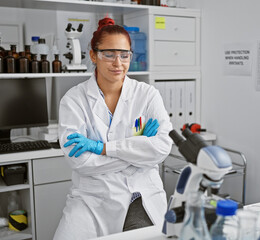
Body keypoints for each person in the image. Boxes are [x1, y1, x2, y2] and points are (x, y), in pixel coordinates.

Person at [53, 17, 173, 239]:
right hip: (91, 196)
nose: (118, 63)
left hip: (140, 192)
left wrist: (101, 148)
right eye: (109, 54)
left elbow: (162, 148)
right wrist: (138, 150)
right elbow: (79, 161)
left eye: (124, 54)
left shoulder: (147, 95)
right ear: (93, 55)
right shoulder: (74, 100)